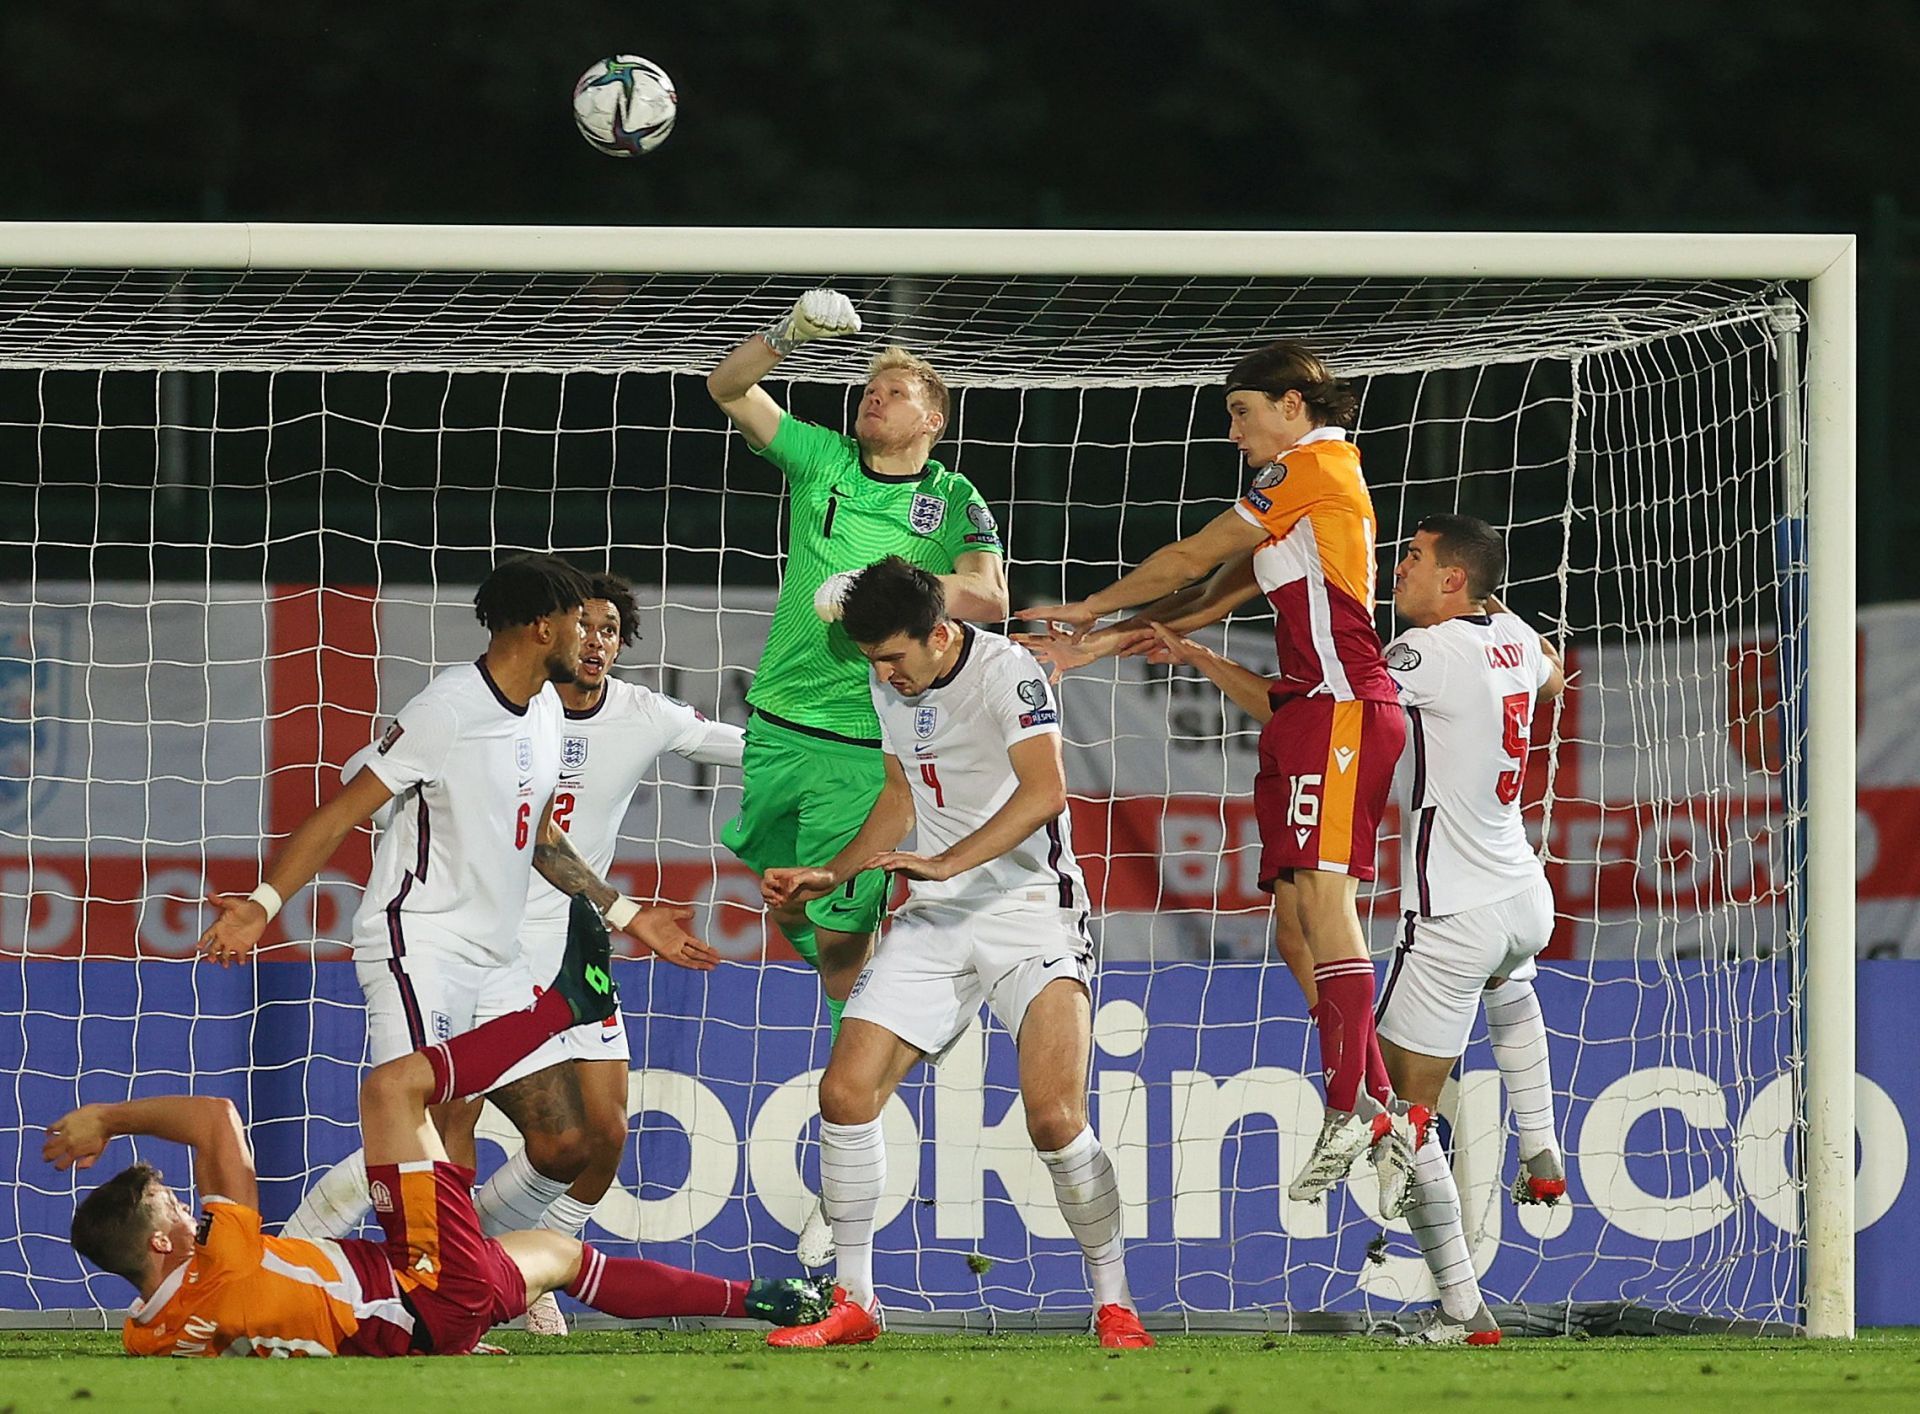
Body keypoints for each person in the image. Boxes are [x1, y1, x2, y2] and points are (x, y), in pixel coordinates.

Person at [200, 555, 713, 1274]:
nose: (592, 635)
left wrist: (626, 913)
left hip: (496, 961)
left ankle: (474, 1272)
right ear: (543, 628)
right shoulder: (446, 711)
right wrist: (261, 905)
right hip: (422, 947)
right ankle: (345, 1277)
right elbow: (341, 811)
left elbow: (537, 833)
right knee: (428, 1125)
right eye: (578, 620)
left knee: (564, 1143)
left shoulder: (540, 709)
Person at [48, 897, 827, 1357]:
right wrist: (109, 1119)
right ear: (163, 1244)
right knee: (392, 1091)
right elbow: (215, 1120)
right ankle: (567, 1006)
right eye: (176, 1213)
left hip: (416, 1310)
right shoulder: (216, 1262)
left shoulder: (146, 1335)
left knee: (559, 1255)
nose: (192, 1211)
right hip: (420, 1286)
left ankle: (768, 1298)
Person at [1138, 512, 1567, 1345]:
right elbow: (1550, 676)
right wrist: (1201, 655)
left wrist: (1210, 650)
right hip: (1526, 896)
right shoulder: (1512, 631)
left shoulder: (1423, 654)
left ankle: (1460, 1310)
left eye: (1412, 559)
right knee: (1507, 992)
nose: (1395, 571)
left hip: (1454, 915)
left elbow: (1303, 707)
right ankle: (1540, 1146)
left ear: (1452, 581)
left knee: (1393, 1112)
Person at [1021, 341, 1412, 1211]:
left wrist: (1087, 603)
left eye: (1241, 412)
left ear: (1292, 407)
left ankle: (1351, 1101)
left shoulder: (1313, 465)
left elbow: (1192, 556)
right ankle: (1385, 1108)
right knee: (1295, 932)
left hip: (1343, 707)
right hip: (1301, 708)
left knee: (1326, 905)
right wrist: (1095, 645)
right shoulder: (1299, 503)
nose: (1233, 432)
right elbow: (1205, 598)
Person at [756, 558, 1152, 1351]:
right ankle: (856, 1301)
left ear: (940, 634)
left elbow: (1046, 794)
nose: (886, 675)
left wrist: (947, 861)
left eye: (896, 658)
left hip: (1030, 910)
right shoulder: (890, 678)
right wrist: (833, 870)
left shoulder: (1009, 674)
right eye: (875, 662)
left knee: (1054, 1118)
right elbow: (901, 797)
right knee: (845, 1093)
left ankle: (1115, 1301)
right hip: (938, 915)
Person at [707, 289, 1009, 1262]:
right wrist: (785, 339)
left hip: (863, 734)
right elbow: (726, 386)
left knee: (834, 920)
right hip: (777, 720)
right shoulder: (823, 461)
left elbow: (993, 595)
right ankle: (877, 1016)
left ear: (932, 417)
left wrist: (892, 591)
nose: (872, 399)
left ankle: (865, 1071)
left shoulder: (954, 497)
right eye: (869, 387)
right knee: (787, 903)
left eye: (893, 391)